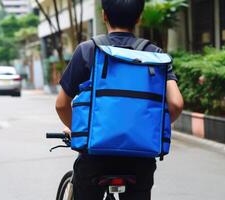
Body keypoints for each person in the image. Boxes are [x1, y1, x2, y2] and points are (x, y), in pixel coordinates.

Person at [55, 0, 183, 199]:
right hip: (139, 158)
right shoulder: (155, 55)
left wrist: (82, 131)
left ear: (104, 15)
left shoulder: (88, 50)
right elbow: (176, 103)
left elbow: (61, 104)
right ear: (139, 17)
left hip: (95, 158)